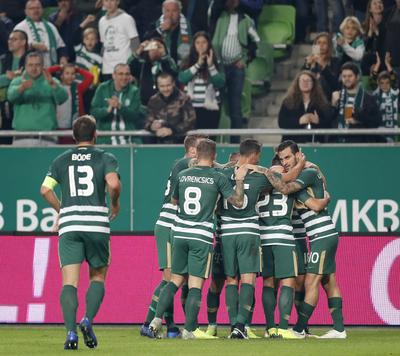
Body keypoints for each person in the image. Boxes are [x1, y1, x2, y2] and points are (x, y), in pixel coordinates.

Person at [148, 139, 247, 339]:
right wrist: (239, 180)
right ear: (214, 156)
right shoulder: (217, 177)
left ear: (197, 154)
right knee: (195, 285)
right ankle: (189, 330)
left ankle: (155, 321)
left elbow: (174, 200)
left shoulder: (183, 175)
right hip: (200, 235)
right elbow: (237, 202)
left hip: (180, 232)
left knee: (174, 280)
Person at [40, 115, 121, 350]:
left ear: (74, 137)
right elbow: (114, 184)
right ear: (95, 135)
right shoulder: (106, 157)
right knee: (97, 276)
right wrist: (115, 204)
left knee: (70, 282)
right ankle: (88, 319)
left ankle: (70, 333)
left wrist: (63, 209)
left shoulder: (61, 159)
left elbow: (45, 189)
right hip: (96, 223)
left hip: (70, 225)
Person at [270, 141, 346, 339]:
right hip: (323, 234)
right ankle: (339, 329)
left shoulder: (307, 173)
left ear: (298, 154)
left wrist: (322, 201)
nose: (285, 162)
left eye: (288, 157)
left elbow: (289, 190)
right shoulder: (311, 170)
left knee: (311, 282)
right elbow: (319, 191)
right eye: (282, 159)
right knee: (329, 281)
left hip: (321, 235)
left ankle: (299, 329)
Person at [140, 133, 207, 339]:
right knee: (169, 278)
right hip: (169, 225)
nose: (205, 154)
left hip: (178, 227)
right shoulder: (183, 163)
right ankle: (148, 323)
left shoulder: (187, 165)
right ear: (193, 150)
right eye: (201, 148)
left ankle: (171, 327)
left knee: (181, 278)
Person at [211, 0, 260, 143]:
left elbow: (255, 40)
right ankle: (211, 141)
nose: (232, 2)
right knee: (214, 104)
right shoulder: (217, 16)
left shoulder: (245, 19)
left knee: (235, 106)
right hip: (218, 67)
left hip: (236, 68)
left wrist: (245, 60)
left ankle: (235, 142)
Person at [7, 52, 68, 146]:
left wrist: (52, 84)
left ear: (43, 66)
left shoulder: (51, 80)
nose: (34, 68)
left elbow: (63, 98)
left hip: (48, 137)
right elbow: (10, 97)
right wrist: (22, 88)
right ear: (25, 66)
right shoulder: (18, 81)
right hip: (22, 137)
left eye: (37, 65)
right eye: (30, 65)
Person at [179, 31, 225, 131]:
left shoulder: (217, 62)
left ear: (208, 44)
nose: (201, 45)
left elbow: (220, 83)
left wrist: (211, 66)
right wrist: (198, 64)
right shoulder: (187, 61)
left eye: (204, 42)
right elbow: (182, 78)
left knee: (208, 142)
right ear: (193, 45)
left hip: (210, 109)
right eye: (197, 42)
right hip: (191, 108)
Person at [91, 63, 141, 145]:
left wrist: (120, 107)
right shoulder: (102, 88)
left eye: (127, 74)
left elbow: (135, 116)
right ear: (114, 75)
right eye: (120, 74)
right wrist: (107, 110)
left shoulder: (134, 91)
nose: (124, 77)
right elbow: (94, 112)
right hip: (105, 138)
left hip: (128, 138)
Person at [278, 71, 335, 143]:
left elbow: (329, 124)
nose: (305, 83)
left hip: (315, 145)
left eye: (308, 81)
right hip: (292, 145)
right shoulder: (288, 102)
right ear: (297, 83)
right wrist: (299, 121)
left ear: (313, 83)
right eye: (302, 81)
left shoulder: (322, 103)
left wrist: (318, 121)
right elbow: (282, 122)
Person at [331, 61, 382, 142]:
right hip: (338, 143)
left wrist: (359, 118)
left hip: (360, 144)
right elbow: (328, 120)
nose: (347, 79)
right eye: (344, 76)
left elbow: (376, 122)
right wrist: (333, 105)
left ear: (357, 77)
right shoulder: (337, 96)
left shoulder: (368, 98)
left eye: (350, 76)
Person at [48, 63, 93, 144]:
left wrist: (78, 69)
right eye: (67, 73)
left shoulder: (78, 88)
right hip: (58, 126)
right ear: (61, 75)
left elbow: (90, 77)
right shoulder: (55, 87)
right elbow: (46, 72)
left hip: (74, 126)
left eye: (73, 73)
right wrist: (59, 67)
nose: (70, 76)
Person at [145, 72, 196, 144]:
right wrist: (152, 127)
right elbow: (147, 120)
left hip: (181, 143)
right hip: (158, 144)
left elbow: (190, 121)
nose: (165, 89)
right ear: (157, 86)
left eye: (168, 85)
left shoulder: (184, 98)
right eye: (162, 86)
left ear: (173, 83)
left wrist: (172, 130)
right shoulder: (153, 100)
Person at [14, 0, 68, 67]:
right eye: (32, 8)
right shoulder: (20, 27)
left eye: (38, 8)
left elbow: (61, 46)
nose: (36, 10)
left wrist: (63, 57)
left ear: (42, 10)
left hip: (50, 68)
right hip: (29, 69)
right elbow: (15, 48)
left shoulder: (50, 26)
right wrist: (32, 46)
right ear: (26, 11)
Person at [98, 0, 140, 80]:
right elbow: (104, 45)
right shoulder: (101, 21)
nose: (109, 4)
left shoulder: (127, 19)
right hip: (107, 69)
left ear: (117, 1)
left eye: (112, 0)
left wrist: (134, 67)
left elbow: (135, 43)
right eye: (106, 1)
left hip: (124, 68)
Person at [130, 38, 178, 105]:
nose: (154, 50)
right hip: (145, 104)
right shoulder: (142, 64)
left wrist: (164, 55)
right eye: (151, 47)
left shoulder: (168, 62)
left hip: (166, 103)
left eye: (157, 47)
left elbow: (173, 73)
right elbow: (128, 68)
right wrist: (139, 50)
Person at [0, 30, 28, 144]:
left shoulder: (31, 59)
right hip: (4, 107)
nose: (10, 42)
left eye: (14, 39)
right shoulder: (2, 59)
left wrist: (16, 77)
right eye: (9, 39)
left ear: (23, 42)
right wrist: (8, 77)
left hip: (23, 105)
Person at [144, 0, 192, 65]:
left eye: (174, 11)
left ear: (179, 12)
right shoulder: (154, 26)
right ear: (163, 12)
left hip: (184, 68)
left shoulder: (191, 28)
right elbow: (145, 45)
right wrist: (161, 29)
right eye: (167, 11)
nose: (170, 14)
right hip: (160, 69)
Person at [303, 33, 341, 101]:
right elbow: (301, 80)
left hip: (330, 96)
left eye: (324, 43)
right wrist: (308, 66)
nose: (321, 45)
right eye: (319, 43)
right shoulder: (309, 61)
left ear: (329, 46)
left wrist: (322, 65)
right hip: (312, 96)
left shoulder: (336, 61)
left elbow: (335, 84)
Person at [371, 59, 399, 142]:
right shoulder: (377, 93)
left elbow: (394, 78)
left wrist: (387, 64)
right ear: (378, 84)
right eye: (382, 83)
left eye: (387, 82)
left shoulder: (394, 92)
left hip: (393, 129)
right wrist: (378, 63)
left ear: (390, 83)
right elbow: (373, 79)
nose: (385, 85)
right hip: (380, 129)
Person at [361, 0, 386, 75]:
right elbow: (365, 48)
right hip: (371, 60)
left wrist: (377, 32)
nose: (378, 5)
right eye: (375, 3)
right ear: (370, 9)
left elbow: (385, 44)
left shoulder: (388, 23)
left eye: (380, 2)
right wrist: (370, 32)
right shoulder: (365, 25)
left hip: (384, 57)